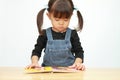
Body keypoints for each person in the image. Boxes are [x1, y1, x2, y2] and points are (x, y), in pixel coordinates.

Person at [27, 0, 85, 70]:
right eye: (57, 19)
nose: (61, 23)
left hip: (69, 72)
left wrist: (78, 63)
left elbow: (79, 52)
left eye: (66, 20)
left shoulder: (72, 34)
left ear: (71, 16)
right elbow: (36, 51)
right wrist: (34, 62)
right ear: (49, 16)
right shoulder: (44, 34)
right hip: (48, 72)